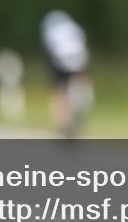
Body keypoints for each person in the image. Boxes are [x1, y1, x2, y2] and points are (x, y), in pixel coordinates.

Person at [40, 10, 94, 138]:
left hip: (60, 59)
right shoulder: (75, 28)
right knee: (79, 83)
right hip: (79, 58)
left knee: (59, 91)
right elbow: (83, 45)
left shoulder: (51, 29)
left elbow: (48, 50)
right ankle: (81, 105)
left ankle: (63, 121)